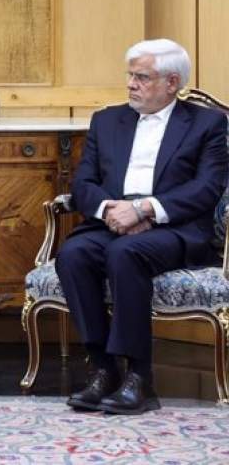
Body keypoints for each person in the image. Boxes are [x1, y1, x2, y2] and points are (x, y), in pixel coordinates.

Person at [57, 39, 228, 414]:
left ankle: (139, 378)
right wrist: (111, 211)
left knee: (125, 253)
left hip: (175, 226)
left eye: (142, 77)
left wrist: (144, 210)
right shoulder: (106, 120)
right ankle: (103, 370)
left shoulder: (208, 124)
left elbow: (206, 188)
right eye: (130, 75)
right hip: (112, 219)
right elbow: (83, 183)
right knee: (73, 254)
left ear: (171, 82)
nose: (131, 84)